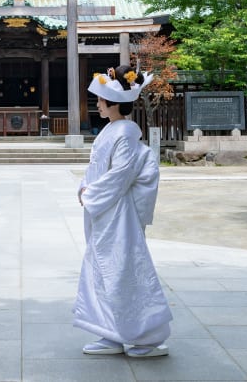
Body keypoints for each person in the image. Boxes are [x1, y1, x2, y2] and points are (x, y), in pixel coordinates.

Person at [74, 64, 173, 358]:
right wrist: (84, 187)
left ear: (114, 103)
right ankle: (111, 332)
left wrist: (91, 193)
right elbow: (98, 169)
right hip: (106, 211)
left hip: (118, 214)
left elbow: (121, 173)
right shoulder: (113, 129)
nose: (98, 104)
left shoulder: (126, 131)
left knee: (124, 269)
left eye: (102, 100)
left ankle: (147, 336)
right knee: (103, 271)